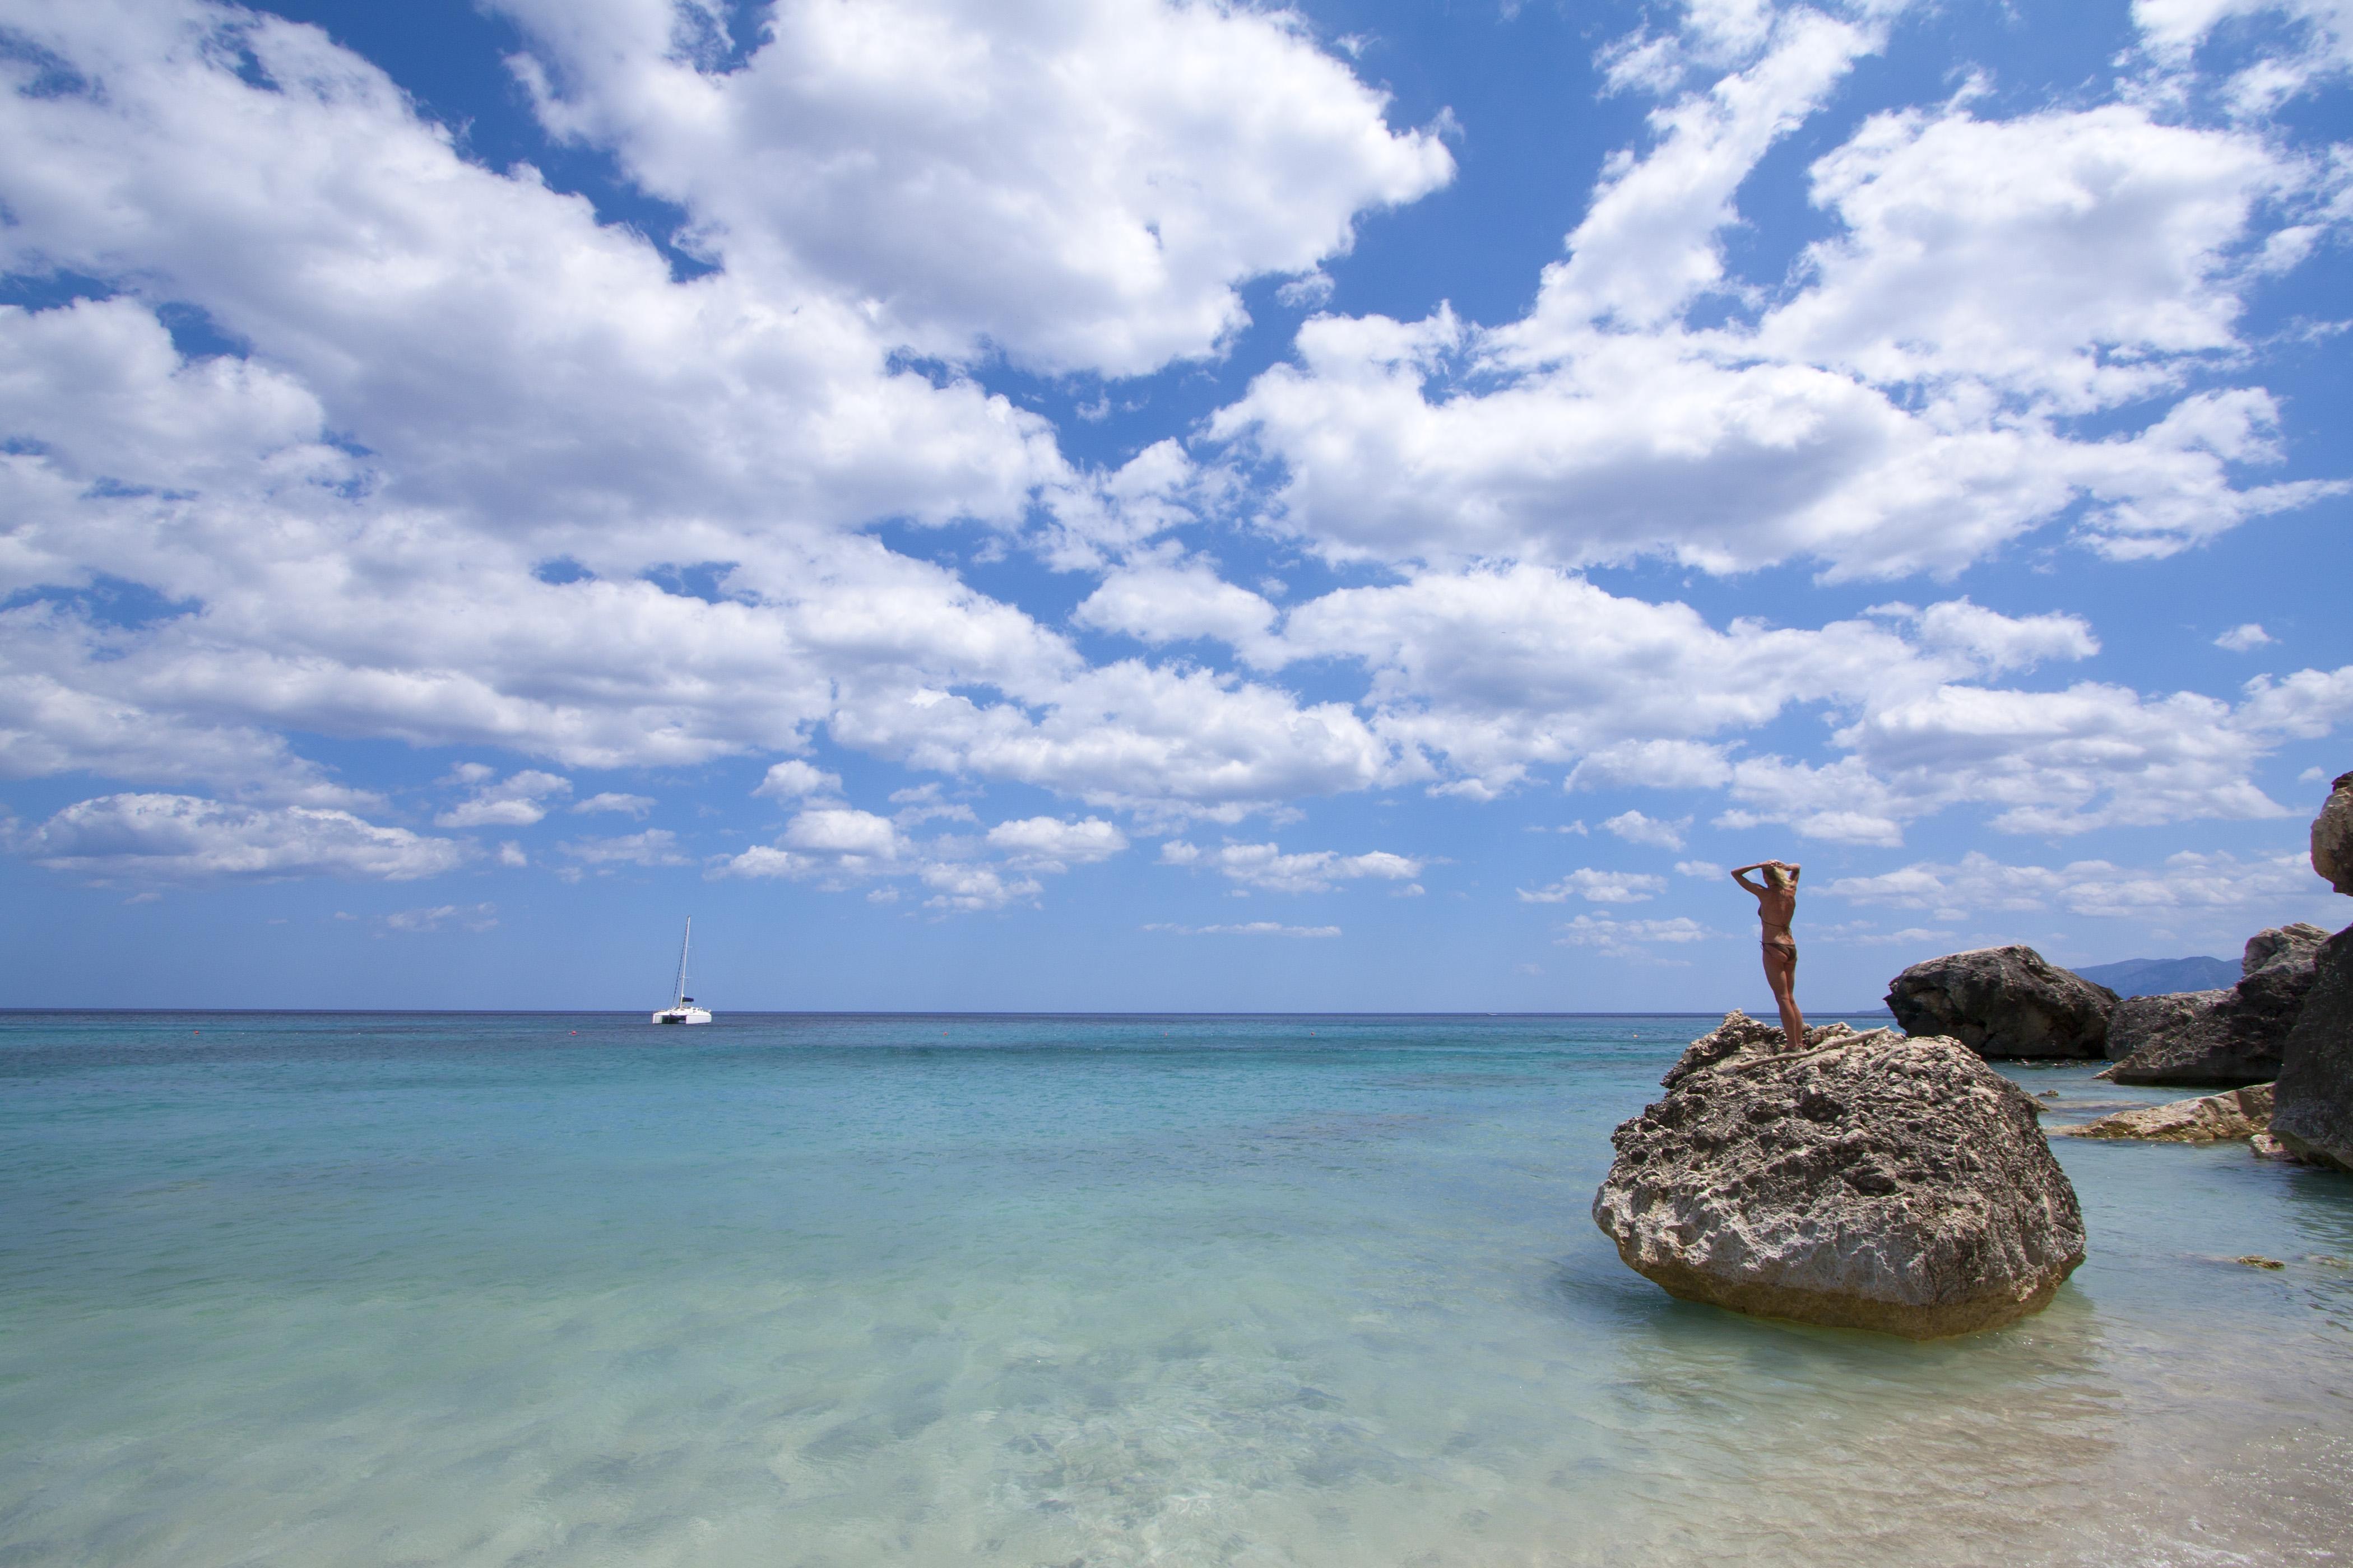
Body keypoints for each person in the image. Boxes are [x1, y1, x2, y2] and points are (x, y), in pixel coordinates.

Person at [1730, 860, 1804, 1052]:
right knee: (1791, 997)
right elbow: (1797, 868)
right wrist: (1785, 867)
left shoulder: (1764, 893)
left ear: (1765, 877)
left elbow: (1736, 873)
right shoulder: (1791, 890)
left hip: (1774, 946)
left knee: (1783, 998)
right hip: (1791, 946)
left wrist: (1758, 865)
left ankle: (1791, 1045)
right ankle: (1800, 1043)